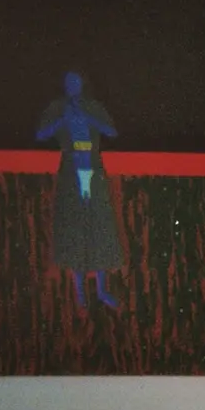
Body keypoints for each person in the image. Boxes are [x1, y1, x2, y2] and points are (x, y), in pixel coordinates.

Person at [36, 71, 123, 310]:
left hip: (93, 167)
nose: (72, 86)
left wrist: (88, 118)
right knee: (76, 227)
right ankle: (80, 294)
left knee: (99, 225)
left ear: (83, 84)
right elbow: (40, 134)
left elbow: (112, 132)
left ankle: (102, 290)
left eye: (75, 82)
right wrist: (62, 121)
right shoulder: (57, 107)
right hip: (70, 170)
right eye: (68, 83)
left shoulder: (94, 106)